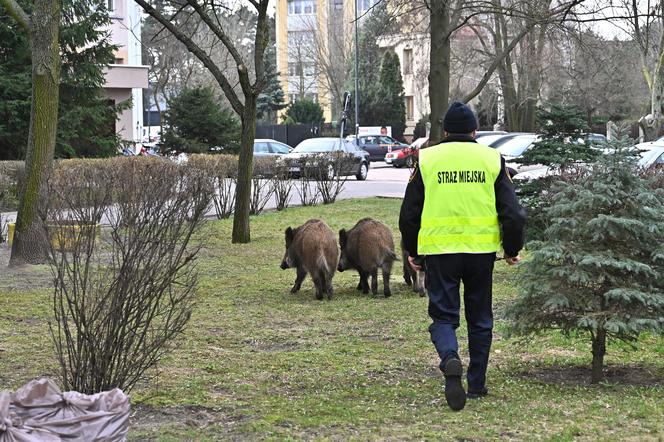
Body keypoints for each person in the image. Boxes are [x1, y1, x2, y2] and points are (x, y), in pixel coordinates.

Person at [399, 101, 526, 411]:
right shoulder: (492, 159)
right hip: (481, 253)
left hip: (440, 254)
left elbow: (409, 214)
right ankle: (478, 384)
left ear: (444, 132)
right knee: (480, 318)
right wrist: (511, 248)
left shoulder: (427, 160)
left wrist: (413, 251)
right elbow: (513, 214)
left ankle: (450, 357)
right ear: (475, 131)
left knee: (443, 316)